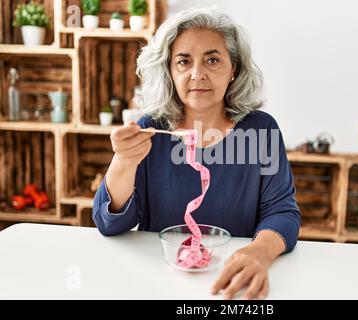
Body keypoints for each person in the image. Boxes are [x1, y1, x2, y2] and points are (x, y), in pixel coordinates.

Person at [92, 7, 301, 300]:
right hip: (160, 281)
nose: (197, 74)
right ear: (169, 71)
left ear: (234, 70)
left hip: (234, 284)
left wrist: (258, 253)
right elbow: (109, 223)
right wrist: (124, 161)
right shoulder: (150, 129)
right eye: (183, 61)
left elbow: (282, 213)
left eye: (212, 60)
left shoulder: (261, 130)